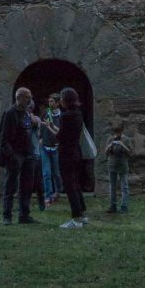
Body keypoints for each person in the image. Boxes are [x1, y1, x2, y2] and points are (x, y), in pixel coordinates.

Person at [0, 87, 39, 225]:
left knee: (26, 186)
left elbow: (28, 130)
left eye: (30, 97)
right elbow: (2, 137)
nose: (29, 100)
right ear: (19, 97)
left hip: (28, 153)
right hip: (15, 154)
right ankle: (7, 216)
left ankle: (24, 215)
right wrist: (12, 155)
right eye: (27, 97)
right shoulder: (10, 113)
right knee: (10, 186)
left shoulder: (26, 112)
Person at [57, 86, 88, 229]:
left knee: (70, 185)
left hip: (66, 153)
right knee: (75, 183)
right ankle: (82, 214)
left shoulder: (66, 116)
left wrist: (50, 128)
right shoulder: (78, 113)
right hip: (76, 151)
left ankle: (76, 219)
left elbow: (61, 136)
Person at [104, 122, 133, 214]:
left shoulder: (127, 140)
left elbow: (130, 153)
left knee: (124, 186)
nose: (117, 134)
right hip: (112, 165)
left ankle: (124, 206)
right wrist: (110, 145)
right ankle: (113, 205)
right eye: (115, 132)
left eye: (118, 132)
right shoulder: (110, 139)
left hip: (123, 166)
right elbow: (105, 152)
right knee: (112, 187)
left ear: (122, 131)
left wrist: (122, 144)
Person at [41, 93, 63, 205]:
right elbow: (41, 125)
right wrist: (40, 137)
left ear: (58, 103)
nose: (50, 103)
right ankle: (48, 196)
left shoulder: (62, 116)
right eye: (49, 101)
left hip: (56, 147)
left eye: (52, 101)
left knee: (56, 173)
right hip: (45, 146)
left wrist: (51, 126)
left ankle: (58, 191)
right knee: (46, 173)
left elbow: (61, 132)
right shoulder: (46, 113)